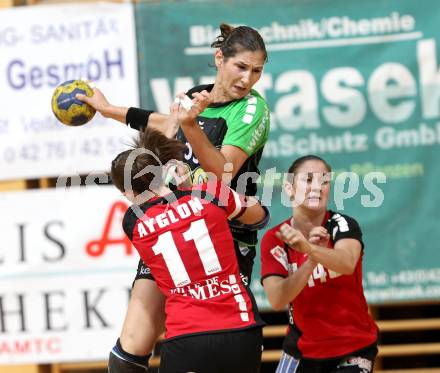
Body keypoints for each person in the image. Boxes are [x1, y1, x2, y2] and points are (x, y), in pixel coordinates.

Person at [77, 23, 270, 372]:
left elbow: (221, 171)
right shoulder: (198, 94)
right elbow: (166, 124)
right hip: (173, 226)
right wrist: (108, 110)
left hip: (222, 234)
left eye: (256, 71)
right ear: (219, 58)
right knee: (130, 349)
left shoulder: (252, 110)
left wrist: (192, 125)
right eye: (241, 67)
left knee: (221, 340)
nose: (248, 78)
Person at [110, 124, 267, 373]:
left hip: (187, 334)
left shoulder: (134, 221)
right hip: (240, 328)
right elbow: (259, 217)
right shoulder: (209, 193)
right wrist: (187, 185)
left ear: (127, 192)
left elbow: (168, 215)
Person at [260, 155, 378, 373]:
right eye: (309, 179)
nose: (318, 187)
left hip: (352, 345)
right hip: (301, 349)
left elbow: (347, 263)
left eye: (324, 181)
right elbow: (277, 299)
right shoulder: (275, 238)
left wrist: (309, 249)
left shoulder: (341, 224)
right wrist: (311, 259)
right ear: (289, 188)